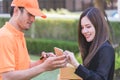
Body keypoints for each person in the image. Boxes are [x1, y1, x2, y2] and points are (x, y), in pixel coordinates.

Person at [0, 0, 67, 80]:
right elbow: (7, 76)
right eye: (30, 14)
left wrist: (42, 62)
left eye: (34, 15)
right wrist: (44, 67)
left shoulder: (18, 35)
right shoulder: (5, 36)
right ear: (16, 10)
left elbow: (24, 68)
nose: (33, 19)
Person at [64, 7, 115, 80]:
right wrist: (71, 63)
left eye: (88, 27)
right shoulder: (90, 46)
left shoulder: (106, 49)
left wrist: (77, 65)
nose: (84, 31)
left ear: (98, 26)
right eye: (82, 27)